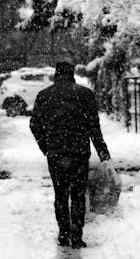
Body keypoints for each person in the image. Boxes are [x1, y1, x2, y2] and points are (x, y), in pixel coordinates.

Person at [30, 61, 111, 249]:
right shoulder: (85, 95)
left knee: (60, 194)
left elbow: (34, 125)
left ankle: (63, 234)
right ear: (72, 74)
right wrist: (103, 153)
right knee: (78, 194)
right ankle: (77, 235)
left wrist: (46, 147)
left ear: (56, 74)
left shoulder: (44, 96)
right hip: (79, 152)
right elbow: (94, 127)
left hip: (56, 154)